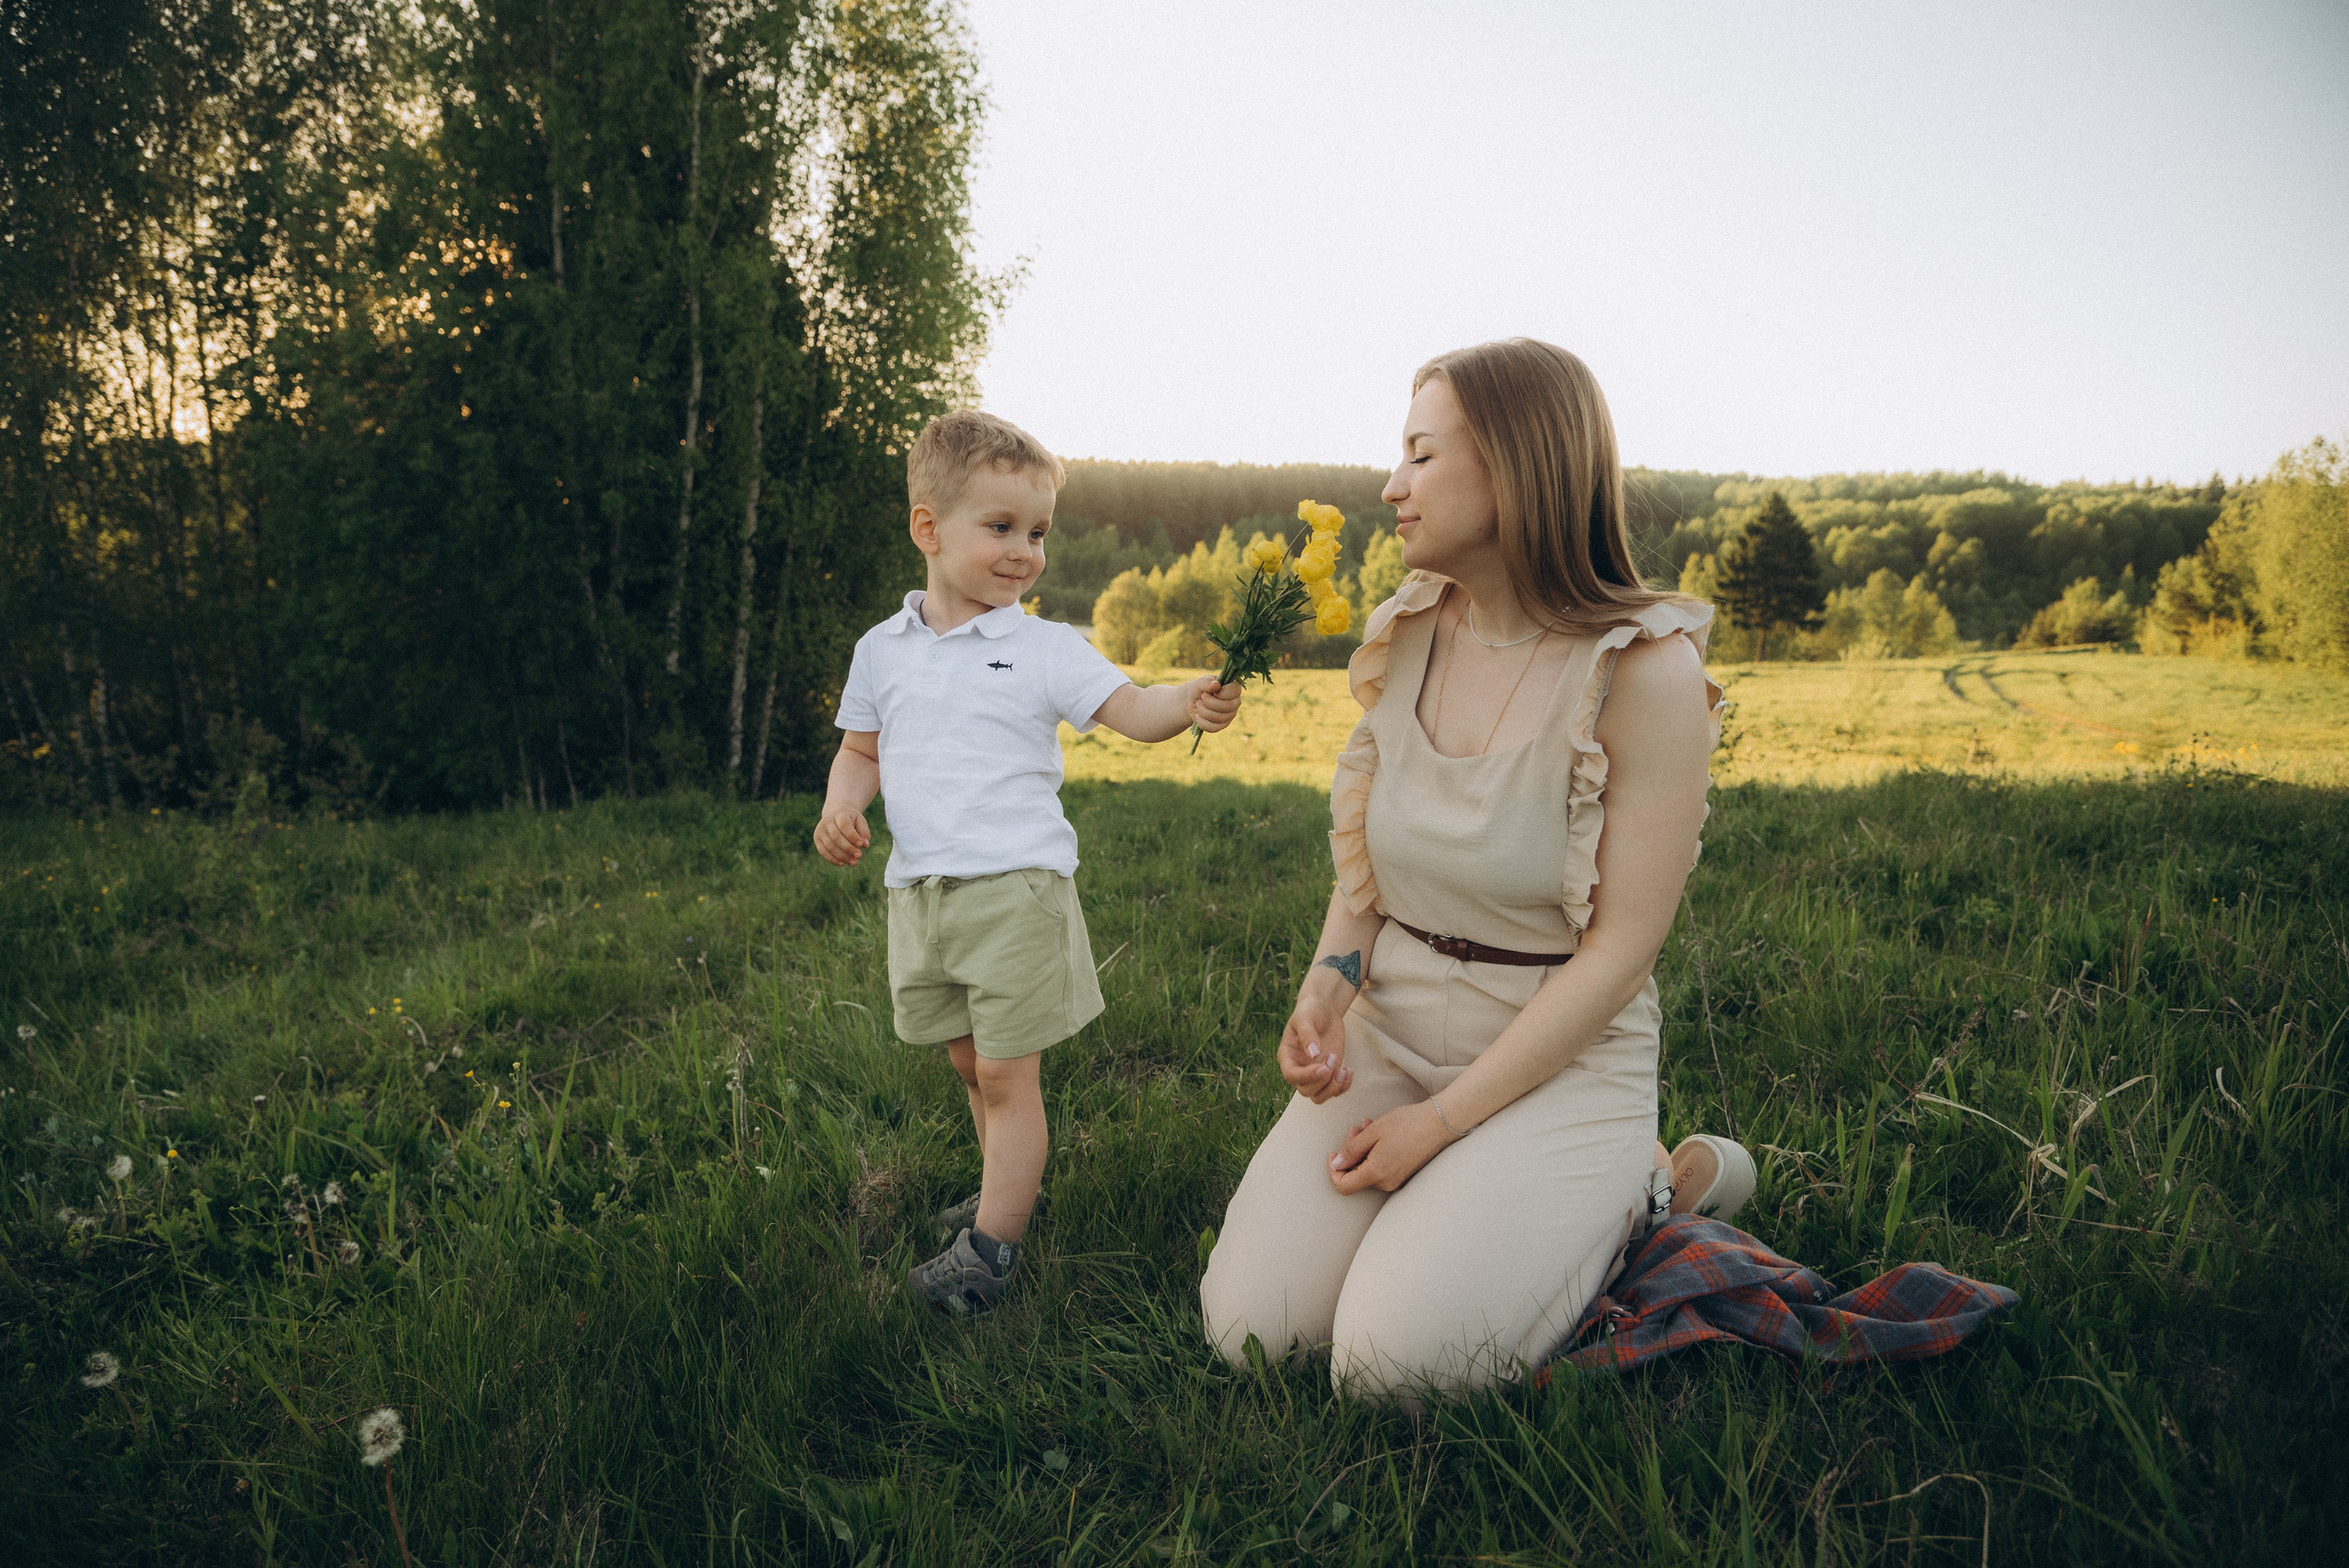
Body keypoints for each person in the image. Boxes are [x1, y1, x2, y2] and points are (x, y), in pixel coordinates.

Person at [1200, 339, 1755, 1398]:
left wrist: (1440, 1128)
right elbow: (1365, 863)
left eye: (1418, 455)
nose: (1390, 486)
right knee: (1252, 1334)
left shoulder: (1647, 670)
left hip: (1558, 1048)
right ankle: (1486, 1209)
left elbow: (1622, 951)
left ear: (1513, 465)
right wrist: (1329, 985)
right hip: (1396, 1024)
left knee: (1394, 1369)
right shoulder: (1405, 626)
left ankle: (1644, 1184)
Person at [814, 408, 1243, 1316]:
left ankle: (991, 1251)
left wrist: (1190, 699)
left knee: (1010, 1077)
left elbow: (1129, 707)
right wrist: (840, 806)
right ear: (929, 529)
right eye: (1001, 527)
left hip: (1015, 891)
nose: (1024, 551)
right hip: (922, 893)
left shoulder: (1043, 646)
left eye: (1038, 531)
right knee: (970, 1066)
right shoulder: (881, 652)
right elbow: (861, 751)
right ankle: (1002, 1185)